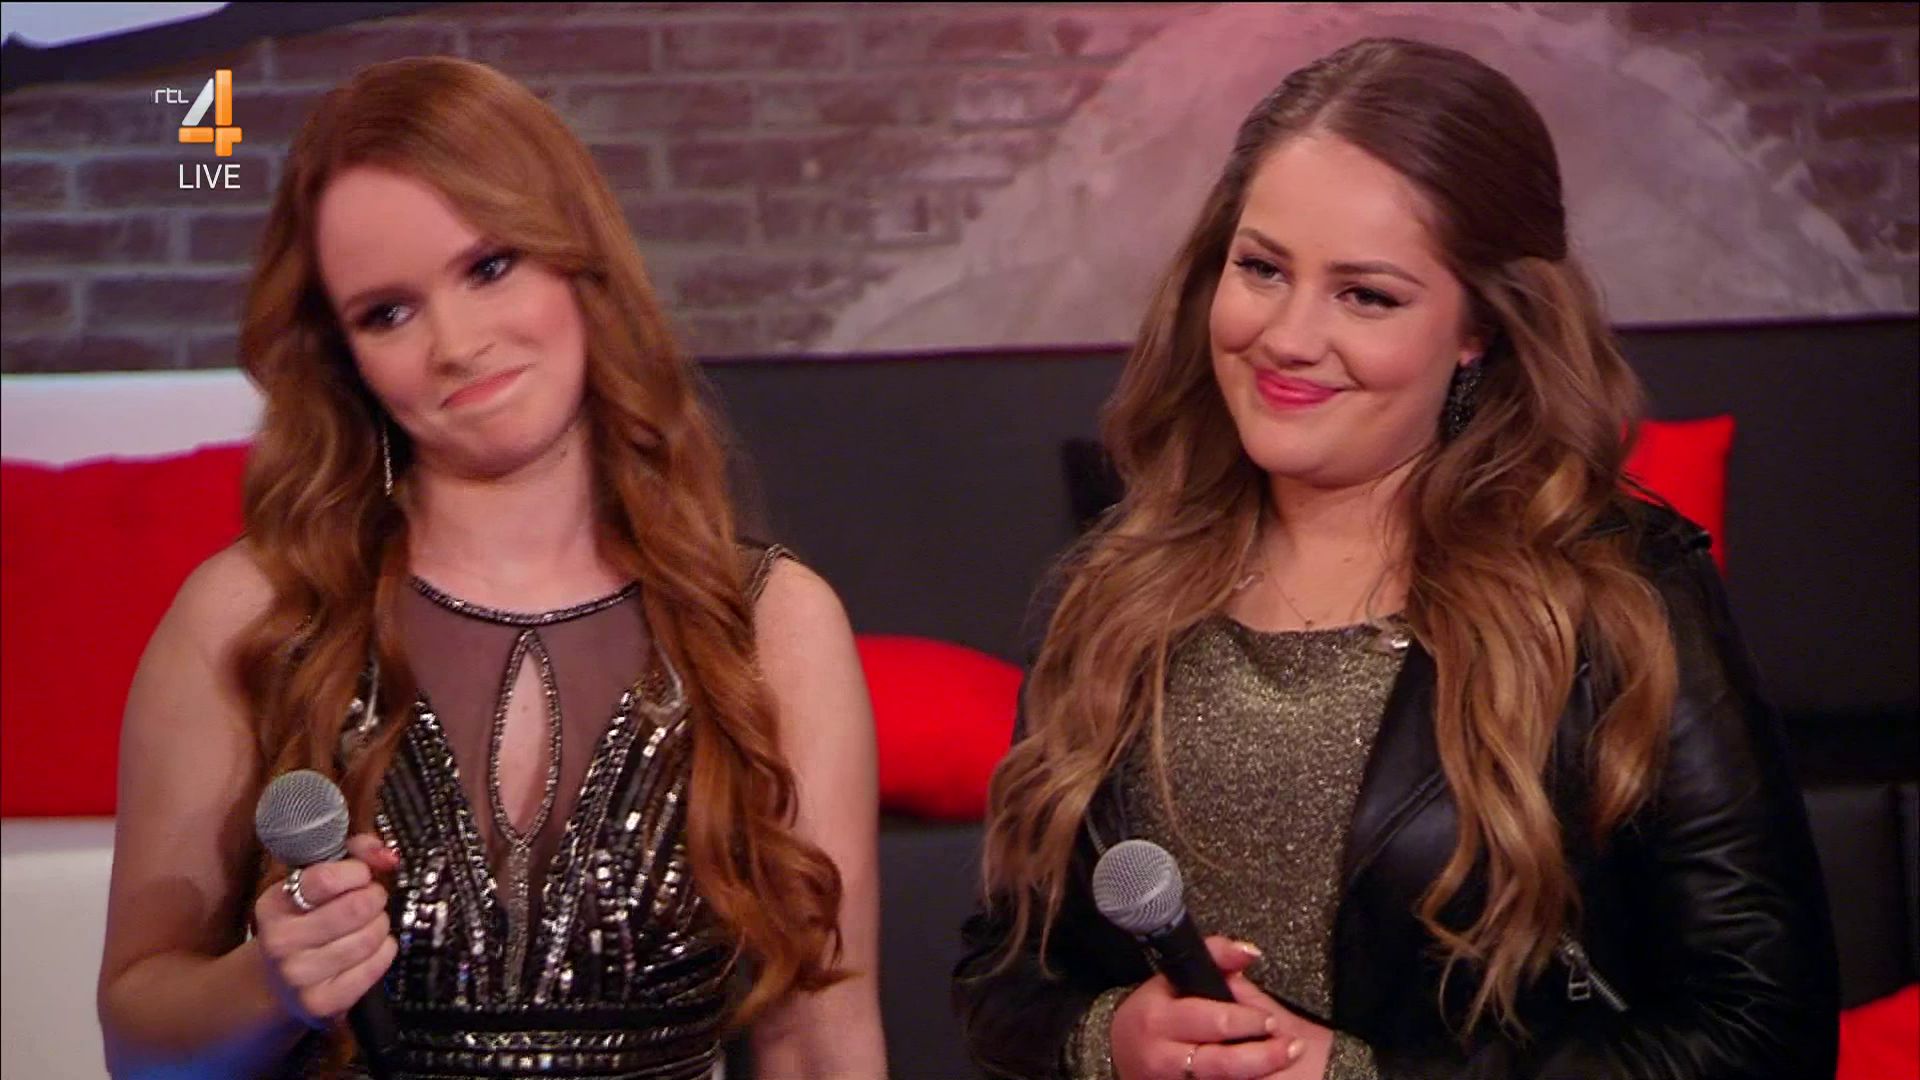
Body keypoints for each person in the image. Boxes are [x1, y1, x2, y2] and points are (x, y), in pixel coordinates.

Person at [953, 36, 1837, 1080]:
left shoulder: (1616, 593)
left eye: (1366, 295)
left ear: (1477, 329)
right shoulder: (1112, 587)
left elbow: (1761, 1033)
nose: (1288, 336)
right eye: (1262, 269)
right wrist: (1108, 1039)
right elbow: (1003, 971)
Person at [96, 56, 886, 1079]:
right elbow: (138, 1044)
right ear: (342, 356)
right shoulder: (252, 612)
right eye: (388, 312)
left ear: (578, 258)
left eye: (490, 266)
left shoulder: (776, 622)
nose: (457, 344)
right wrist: (267, 986)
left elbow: (821, 1039)